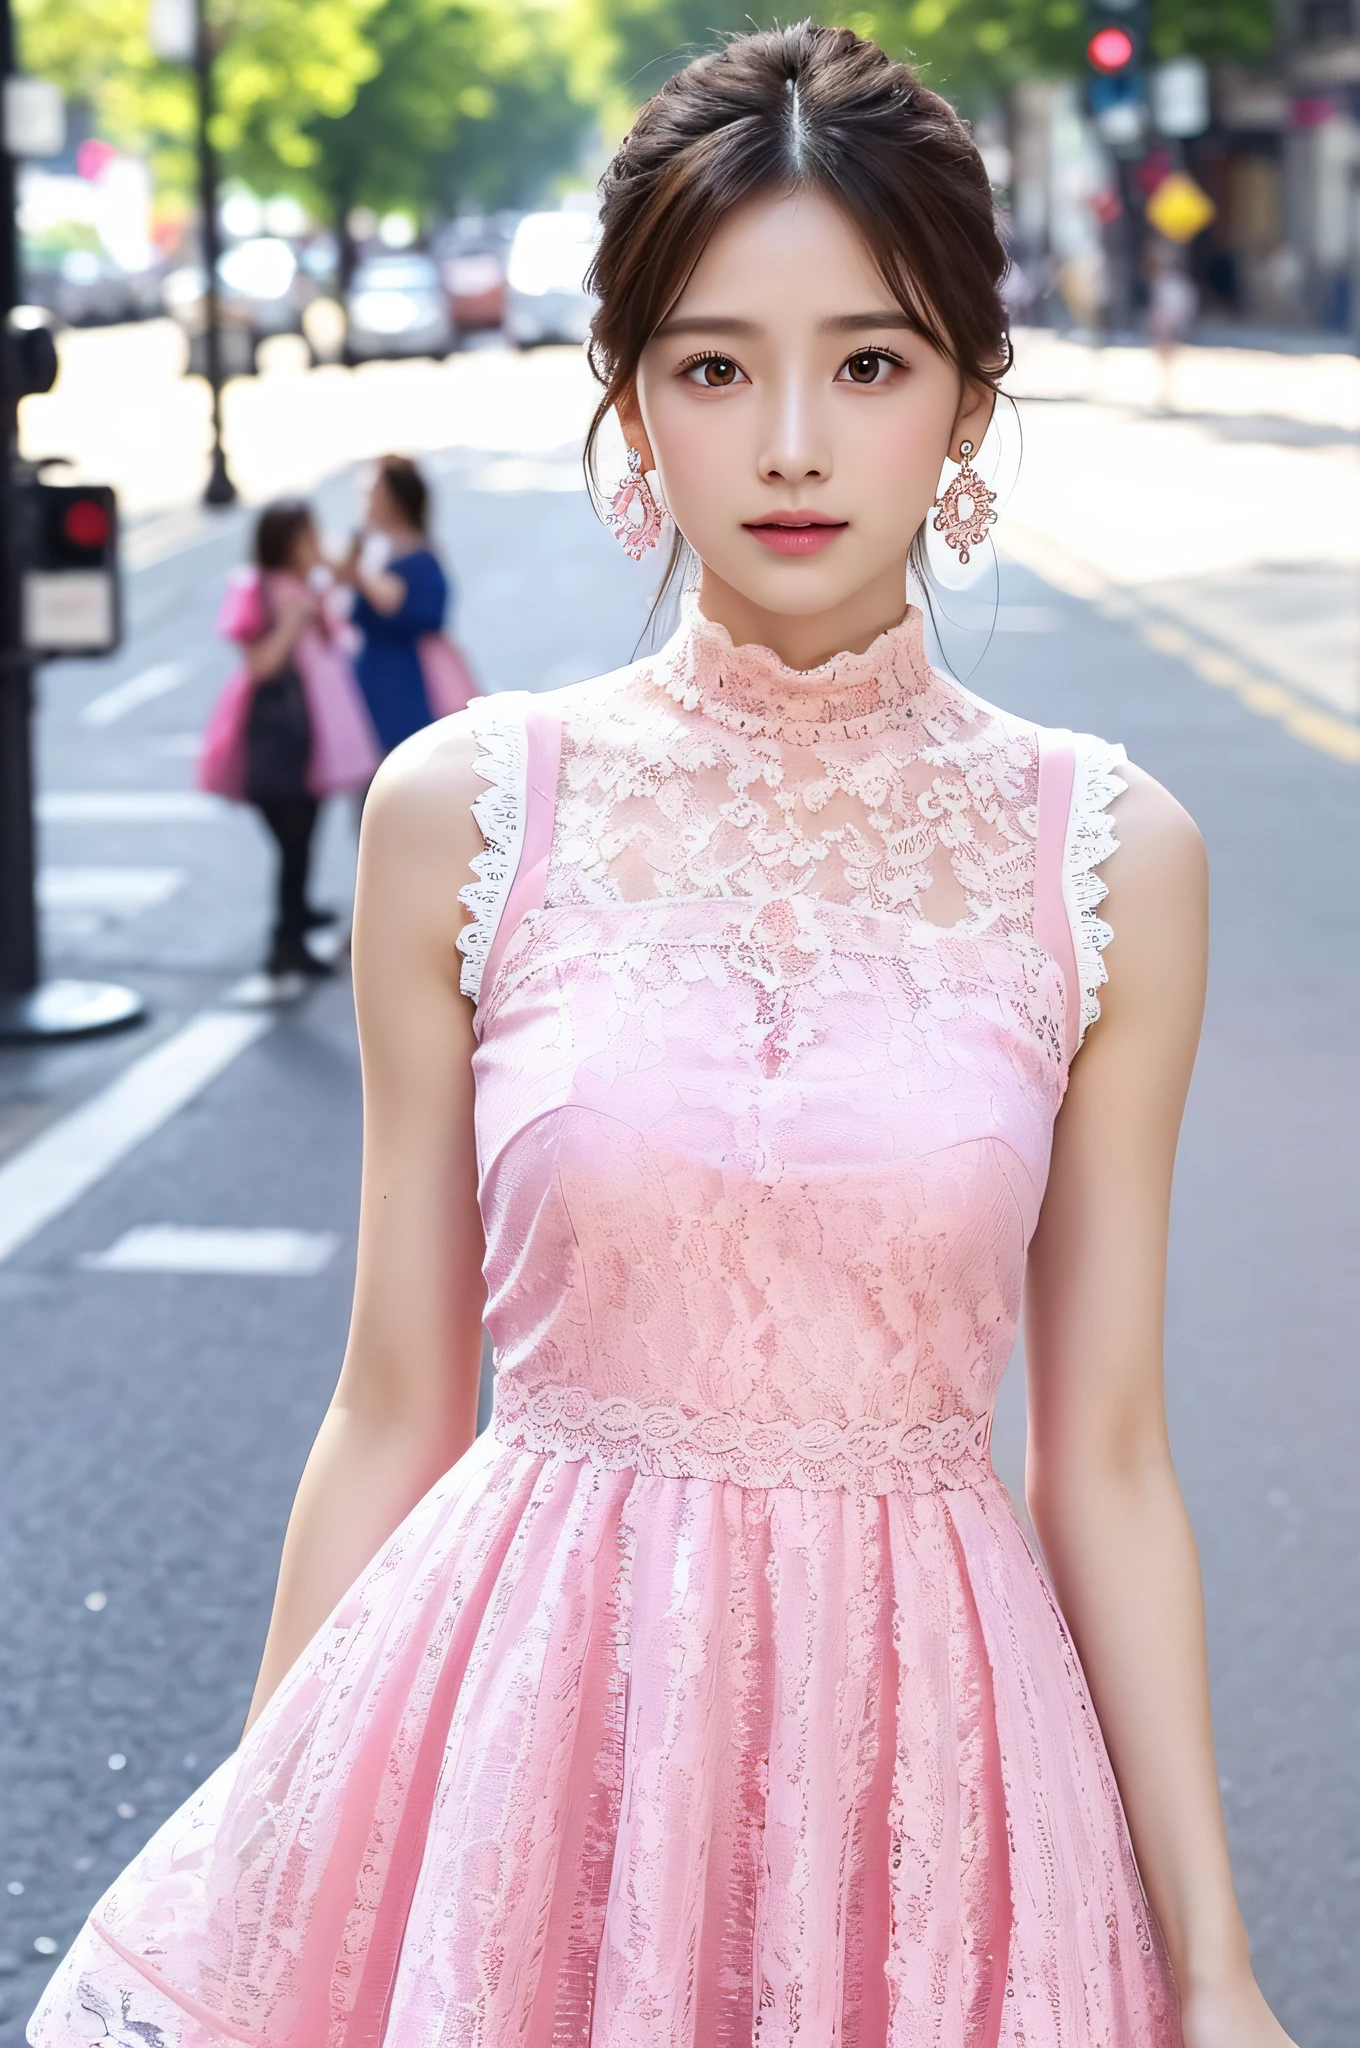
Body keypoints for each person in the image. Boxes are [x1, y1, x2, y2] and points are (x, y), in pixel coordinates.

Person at [35, 26, 1299, 2048]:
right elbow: (390, 1402)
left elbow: (1108, 1462)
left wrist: (1215, 1965)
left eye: (868, 364)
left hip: (937, 1787)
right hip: (521, 1756)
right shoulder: (465, 811)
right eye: (713, 366)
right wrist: (271, 1877)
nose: (790, 441)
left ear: (969, 395)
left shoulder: (1109, 853)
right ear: (631, 405)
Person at [202, 499, 379, 980]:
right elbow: (259, 664)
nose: (316, 545)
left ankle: (295, 917)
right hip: (283, 735)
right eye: (308, 537)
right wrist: (292, 621)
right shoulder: (259, 590)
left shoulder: (304, 583)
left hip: (315, 734)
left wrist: (350, 552)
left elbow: (337, 577)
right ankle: (286, 939)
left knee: (302, 837)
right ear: (286, 543)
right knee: (293, 840)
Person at [341, 454, 451, 753]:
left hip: (404, 686)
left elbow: (398, 606)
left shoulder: (418, 560)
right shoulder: (377, 552)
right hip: (371, 681)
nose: (366, 500)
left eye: (373, 492)